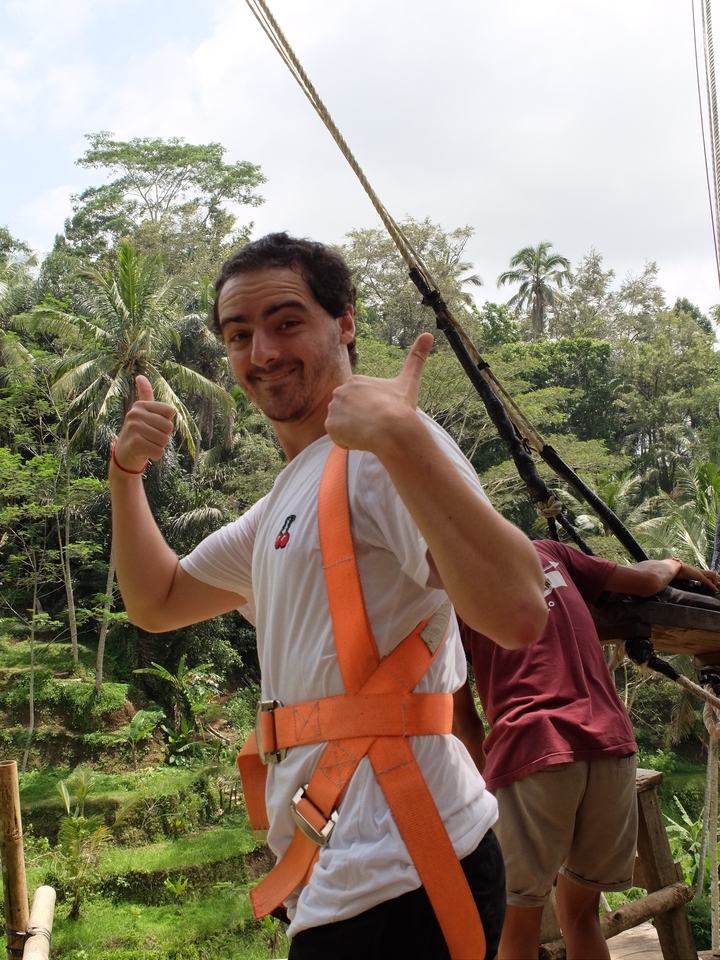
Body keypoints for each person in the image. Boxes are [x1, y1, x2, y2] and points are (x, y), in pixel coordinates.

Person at [108, 232, 548, 960]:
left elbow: (519, 611)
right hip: (355, 870)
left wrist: (402, 437)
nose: (262, 352)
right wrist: (125, 475)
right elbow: (157, 601)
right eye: (239, 334)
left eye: (287, 322)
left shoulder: (381, 455)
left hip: (404, 863)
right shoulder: (286, 501)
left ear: (344, 323)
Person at [453, 538, 720, 960]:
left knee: (516, 929)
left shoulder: (449, 588)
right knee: (581, 917)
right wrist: (676, 564)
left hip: (535, 745)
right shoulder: (549, 552)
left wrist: (484, 794)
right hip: (612, 747)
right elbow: (647, 580)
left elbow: (465, 725)